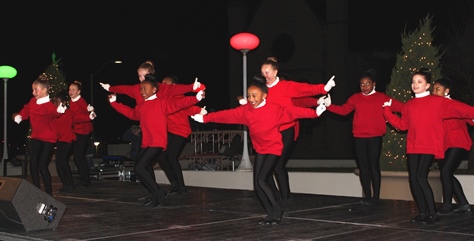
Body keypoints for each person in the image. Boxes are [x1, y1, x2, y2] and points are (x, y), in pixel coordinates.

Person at [192, 77, 327, 225]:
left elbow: (293, 112)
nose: (251, 99)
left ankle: (277, 210)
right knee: (257, 184)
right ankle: (271, 213)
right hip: (260, 148)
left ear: (264, 95)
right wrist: (205, 119)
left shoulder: (274, 110)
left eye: (254, 95)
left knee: (262, 180)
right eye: (249, 95)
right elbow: (226, 115)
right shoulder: (246, 111)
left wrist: (315, 113)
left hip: (274, 148)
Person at [383, 68, 474, 224]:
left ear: (427, 86)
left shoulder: (438, 102)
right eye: (413, 82)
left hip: (428, 145)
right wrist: (387, 112)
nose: (415, 84)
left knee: (421, 178)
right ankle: (423, 213)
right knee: (413, 180)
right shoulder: (409, 105)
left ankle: (433, 214)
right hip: (413, 146)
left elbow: (462, 109)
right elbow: (403, 125)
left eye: (419, 82)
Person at [109, 78, 205, 207]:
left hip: (158, 142)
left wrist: (196, 98)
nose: (142, 91)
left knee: (140, 167)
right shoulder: (142, 106)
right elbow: (131, 114)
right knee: (140, 169)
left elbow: (179, 104)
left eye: (145, 88)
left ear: (154, 90)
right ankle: (155, 194)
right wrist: (114, 103)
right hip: (146, 143)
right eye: (141, 89)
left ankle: (159, 193)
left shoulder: (161, 103)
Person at [259, 57, 335, 208]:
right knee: (266, 170)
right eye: (262, 73)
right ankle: (275, 196)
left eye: (267, 72)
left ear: (275, 72)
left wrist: (323, 89)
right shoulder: (263, 89)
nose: (265, 75)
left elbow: (304, 90)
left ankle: (286, 197)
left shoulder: (286, 86)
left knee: (278, 164)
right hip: (271, 132)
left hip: (286, 130)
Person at [325, 69, 404, 205]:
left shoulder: (382, 97)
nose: (364, 87)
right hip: (359, 137)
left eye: (367, 84)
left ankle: (376, 197)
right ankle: (367, 196)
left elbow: (401, 107)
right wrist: (328, 106)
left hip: (375, 136)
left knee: (373, 166)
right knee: (363, 167)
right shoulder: (355, 98)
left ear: (374, 84)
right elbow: (344, 111)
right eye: (362, 84)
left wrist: (418, 106)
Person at [12, 74, 66, 195]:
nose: (33, 92)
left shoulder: (48, 106)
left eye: (36, 90)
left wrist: (59, 111)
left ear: (44, 90)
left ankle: (48, 193)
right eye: (33, 90)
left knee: (42, 165)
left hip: (49, 139)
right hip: (36, 137)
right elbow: (26, 110)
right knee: (33, 162)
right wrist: (20, 115)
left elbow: (54, 113)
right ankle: (37, 191)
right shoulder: (32, 101)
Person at [158, 75, 207, 194]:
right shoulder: (163, 98)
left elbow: (187, 106)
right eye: (162, 84)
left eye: (167, 84)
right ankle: (174, 183)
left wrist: (199, 110)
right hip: (170, 130)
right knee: (161, 156)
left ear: (174, 86)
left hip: (181, 131)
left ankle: (181, 186)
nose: (164, 86)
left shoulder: (178, 97)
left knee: (171, 157)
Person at [431, 78, 472, 215]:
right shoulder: (435, 107)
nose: (434, 92)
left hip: (457, 142)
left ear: (446, 91)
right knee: (446, 173)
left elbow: (469, 113)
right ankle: (464, 204)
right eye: (433, 89)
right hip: (444, 145)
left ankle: (447, 205)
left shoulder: (452, 104)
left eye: (438, 89)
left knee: (446, 172)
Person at [99, 60, 205, 106]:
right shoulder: (136, 88)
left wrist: (191, 87)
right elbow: (124, 88)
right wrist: (110, 88)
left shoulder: (159, 87)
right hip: (145, 122)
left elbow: (174, 89)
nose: (141, 78)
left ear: (150, 74)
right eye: (139, 76)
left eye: (144, 75)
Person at [68, 81, 96, 187]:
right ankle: (84, 178)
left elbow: (88, 112)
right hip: (77, 130)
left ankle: (85, 179)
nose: (71, 91)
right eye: (70, 89)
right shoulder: (71, 101)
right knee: (78, 155)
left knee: (78, 154)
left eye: (73, 90)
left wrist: (91, 111)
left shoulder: (81, 101)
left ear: (79, 91)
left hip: (84, 130)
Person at [52, 90, 77, 192]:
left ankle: (70, 184)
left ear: (63, 102)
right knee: (58, 162)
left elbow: (74, 121)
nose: (55, 103)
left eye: (57, 101)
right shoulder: (55, 113)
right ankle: (66, 184)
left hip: (69, 139)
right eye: (55, 101)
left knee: (62, 161)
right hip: (61, 140)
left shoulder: (68, 113)